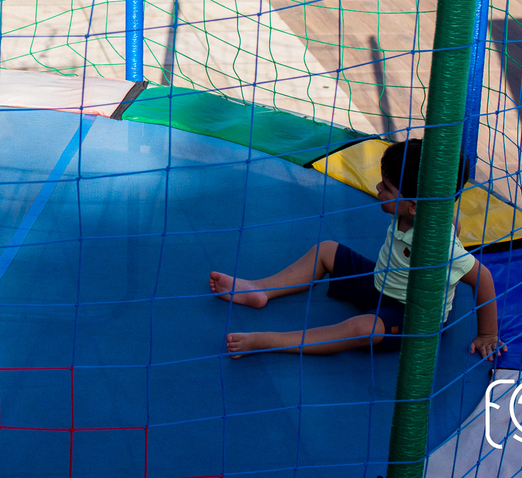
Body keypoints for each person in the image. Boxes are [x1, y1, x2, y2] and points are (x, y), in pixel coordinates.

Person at [210, 138, 505, 359]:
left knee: (364, 329)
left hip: (410, 316)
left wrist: (487, 334)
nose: (377, 188)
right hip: (380, 281)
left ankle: (270, 341)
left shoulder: (439, 246)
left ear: (415, 206)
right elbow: (452, 221)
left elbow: (483, 278)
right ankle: (261, 289)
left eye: (387, 188)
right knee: (326, 250)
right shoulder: (416, 211)